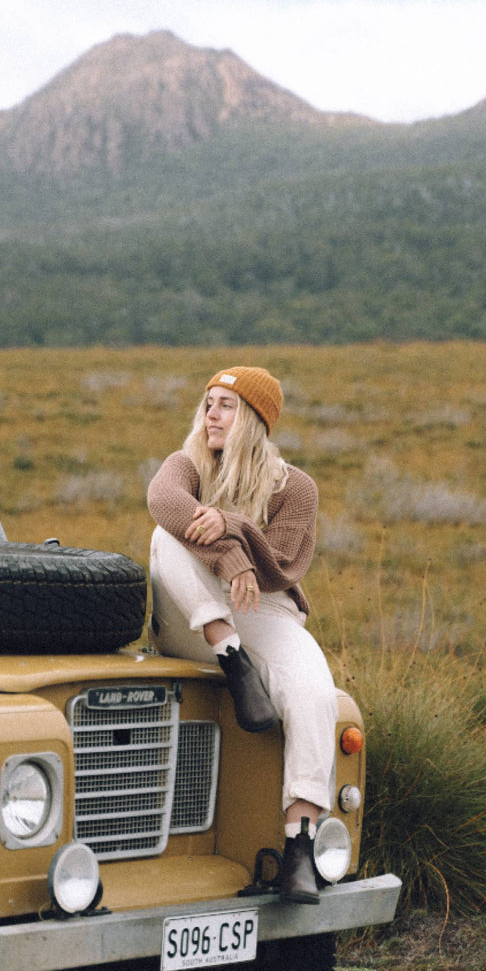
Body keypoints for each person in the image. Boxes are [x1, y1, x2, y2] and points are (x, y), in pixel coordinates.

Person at [146, 366, 338, 904]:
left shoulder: (295, 487)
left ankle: (300, 847)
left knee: (315, 692)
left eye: (226, 404)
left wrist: (231, 526)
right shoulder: (185, 466)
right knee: (168, 532)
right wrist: (230, 556)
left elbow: (280, 565)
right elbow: (164, 503)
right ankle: (234, 660)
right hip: (195, 615)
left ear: (255, 418)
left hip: (264, 606)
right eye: (208, 402)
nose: (211, 413)